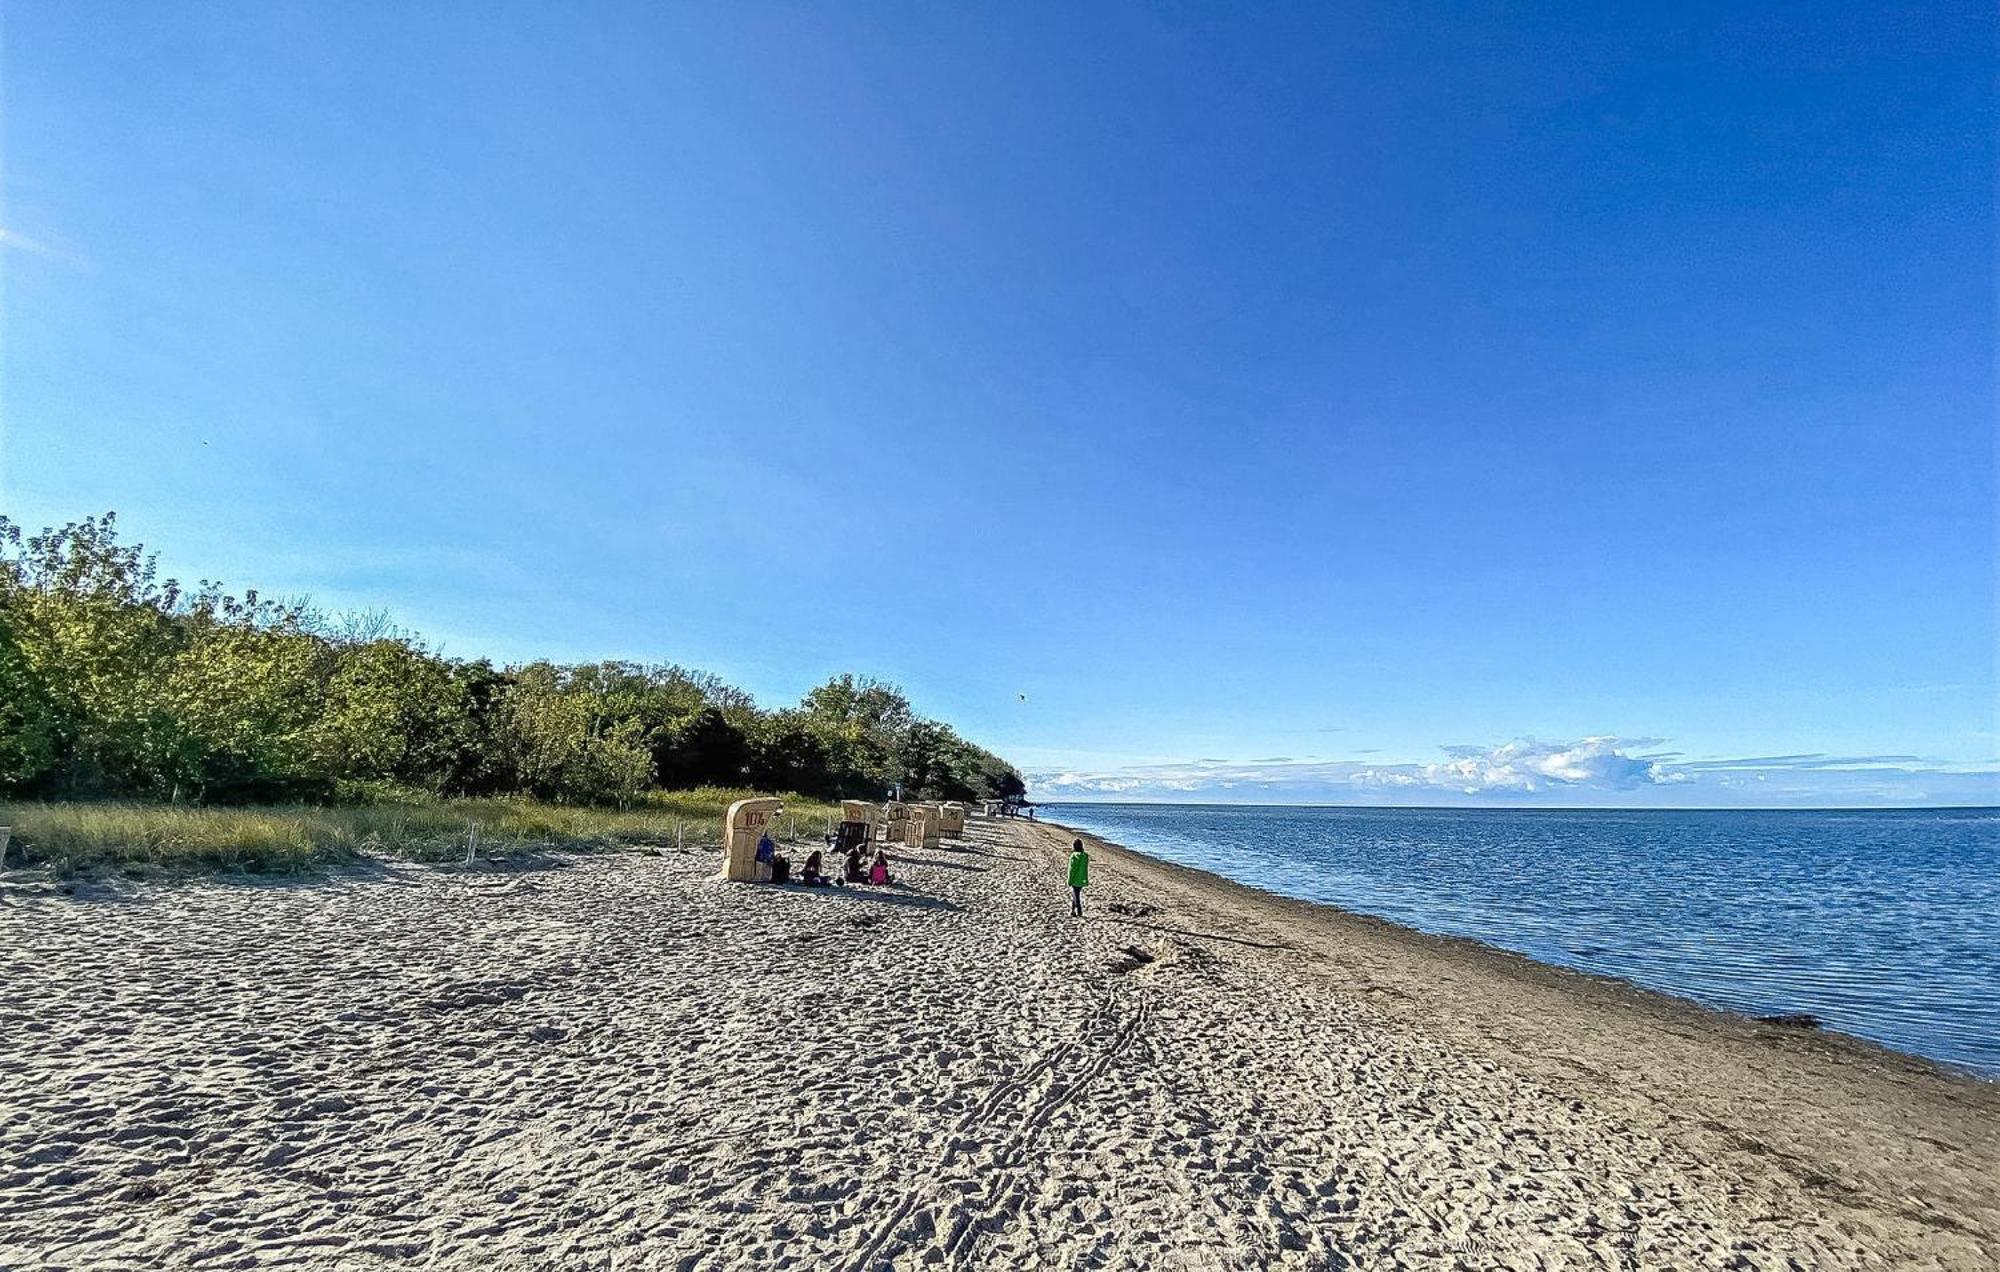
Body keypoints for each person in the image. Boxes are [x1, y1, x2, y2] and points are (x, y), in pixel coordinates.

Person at [1067, 838, 1089, 917]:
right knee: (1075, 894)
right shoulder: (1085, 856)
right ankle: (1072, 911)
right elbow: (1085, 869)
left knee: (1076, 895)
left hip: (1075, 879)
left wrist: (1069, 880)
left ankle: (1079, 910)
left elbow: (1071, 869)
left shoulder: (1073, 856)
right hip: (1082, 879)